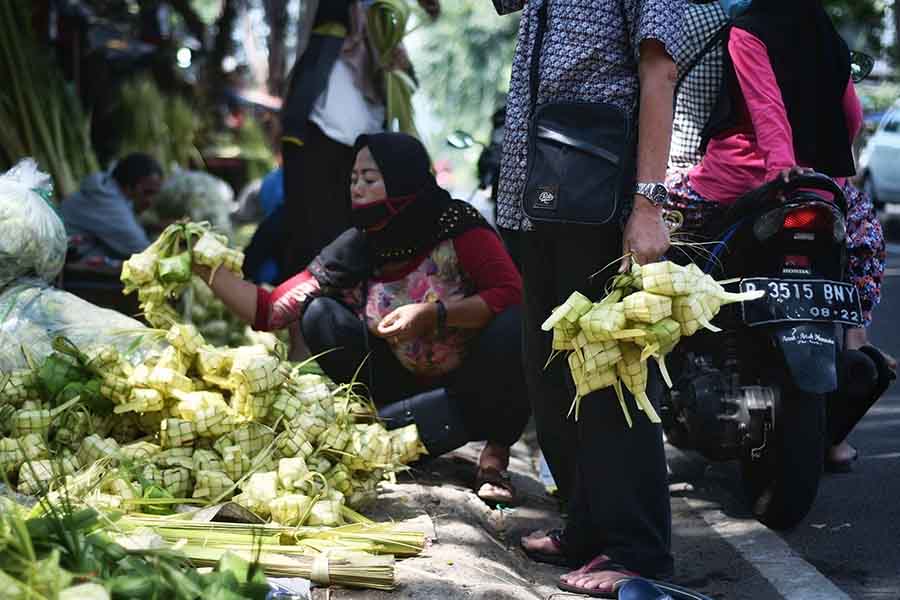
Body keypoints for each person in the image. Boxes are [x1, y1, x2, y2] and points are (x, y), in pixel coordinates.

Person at [195, 132, 530, 505]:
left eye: (369, 179)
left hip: (473, 385)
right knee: (319, 314)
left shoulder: (458, 227)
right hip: (403, 384)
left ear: (403, 179)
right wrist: (206, 269)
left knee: (517, 324)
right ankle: (394, 422)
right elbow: (271, 310)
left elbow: (511, 293)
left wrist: (434, 315)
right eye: (353, 179)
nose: (357, 188)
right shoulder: (360, 242)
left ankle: (495, 456)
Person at [491, 0, 684, 594]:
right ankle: (588, 527)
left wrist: (648, 206)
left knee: (611, 377)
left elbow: (659, 70)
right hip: (539, 193)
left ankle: (637, 550)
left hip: (602, 195)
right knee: (551, 376)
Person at [665, 0, 891, 472]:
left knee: (661, 235)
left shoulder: (748, 29)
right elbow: (850, 116)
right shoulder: (825, 33)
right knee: (864, 241)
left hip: (742, 182)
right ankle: (855, 344)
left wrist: (782, 169)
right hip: (821, 186)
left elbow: (765, 104)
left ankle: (662, 364)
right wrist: (827, 175)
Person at [279, 0, 440, 276]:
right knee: (313, 237)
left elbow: (408, 81)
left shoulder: (389, 48)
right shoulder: (331, 39)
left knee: (359, 238)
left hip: (364, 145)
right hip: (320, 139)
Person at [61, 152, 162, 261]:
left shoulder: (108, 189)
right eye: (148, 192)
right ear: (129, 187)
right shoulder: (107, 203)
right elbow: (143, 250)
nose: (150, 201)